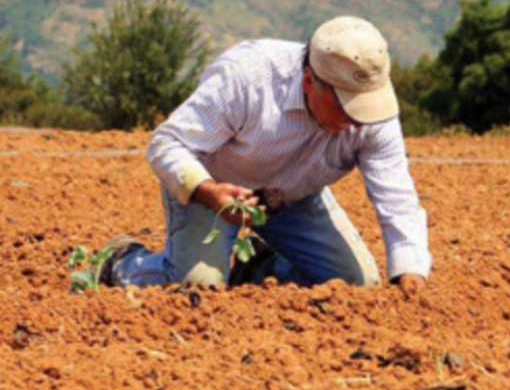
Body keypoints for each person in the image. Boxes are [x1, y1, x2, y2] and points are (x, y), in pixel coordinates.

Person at [101, 16, 432, 291]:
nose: (357, 119)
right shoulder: (247, 78)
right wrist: (209, 192)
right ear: (309, 81)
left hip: (293, 197)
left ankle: (261, 266)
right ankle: (122, 263)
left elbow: (397, 197)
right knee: (199, 286)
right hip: (214, 190)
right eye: (346, 105)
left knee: (356, 284)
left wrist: (410, 272)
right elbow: (167, 143)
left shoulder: (373, 113)